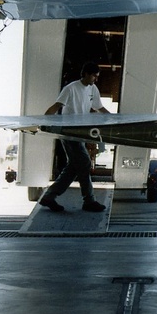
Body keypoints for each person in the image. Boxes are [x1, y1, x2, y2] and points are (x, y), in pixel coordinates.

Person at [38, 62, 109, 213]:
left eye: (97, 76)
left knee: (74, 166)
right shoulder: (70, 88)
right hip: (69, 132)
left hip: (81, 133)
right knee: (84, 162)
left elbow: (99, 107)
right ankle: (89, 201)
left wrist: (114, 120)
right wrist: (44, 122)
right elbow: (56, 106)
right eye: (94, 76)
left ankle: (49, 197)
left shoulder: (93, 89)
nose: (96, 79)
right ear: (86, 74)